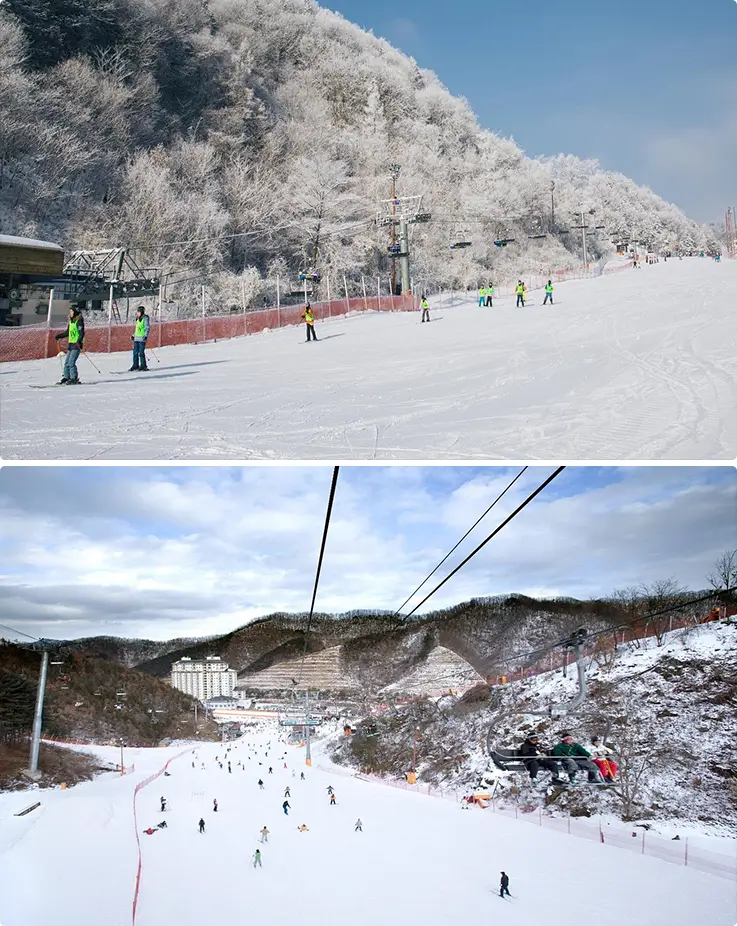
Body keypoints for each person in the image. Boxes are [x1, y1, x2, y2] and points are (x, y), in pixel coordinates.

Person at [54, 306, 85, 385]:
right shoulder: (71, 321)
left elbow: (81, 333)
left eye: (71, 311)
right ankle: (66, 377)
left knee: (71, 362)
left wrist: (79, 341)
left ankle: (73, 378)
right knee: (67, 362)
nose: (70, 313)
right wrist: (59, 336)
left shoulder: (79, 321)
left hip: (76, 345)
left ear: (75, 312)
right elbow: (67, 332)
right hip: (71, 344)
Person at [129, 305, 150, 372]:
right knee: (135, 353)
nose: (137, 313)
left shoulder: (145, 318)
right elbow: (137, 329)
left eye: (139, 312)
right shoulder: (138, 319)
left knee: (141, 352)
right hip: (136, 338)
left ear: (142, 312)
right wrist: (133, 335)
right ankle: (135, 365)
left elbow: (147, 327)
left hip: (142, 338)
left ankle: (143, 366)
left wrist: (146, 335)